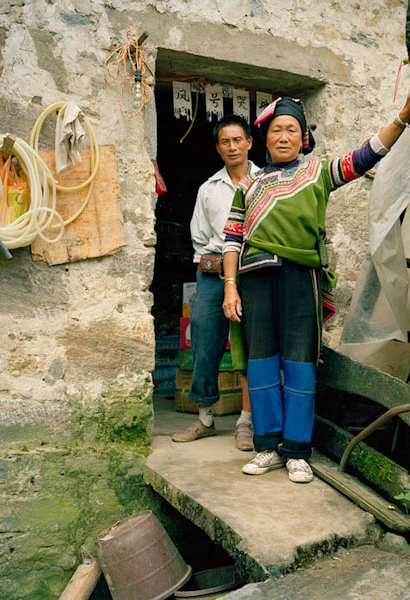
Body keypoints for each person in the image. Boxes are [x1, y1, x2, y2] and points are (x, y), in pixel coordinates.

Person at [222, 86, 410, 482]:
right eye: (277, 130)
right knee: (261, 364)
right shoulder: (249, 185)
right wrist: (230, 287)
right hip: (255, 280)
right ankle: (267, 447)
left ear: (303, 138)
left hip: (301, 279)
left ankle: (296, 451)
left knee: (300, 363)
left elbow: (365, 155)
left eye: (292, 130)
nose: (283, 137)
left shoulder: (318, 173)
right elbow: (232, 238)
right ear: (266, 137)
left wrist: (405, 114)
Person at [172, 114, 260, 449]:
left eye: (238, 140)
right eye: (225, 141)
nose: (232, 147)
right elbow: (200, 240)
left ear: (250, 143)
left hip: (254, 272)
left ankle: (246, 422)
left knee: (252, 346)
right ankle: (206, 418)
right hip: (212, 275)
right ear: (218, 148)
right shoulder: (208, 189)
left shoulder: (265, 181)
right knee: (205, 341)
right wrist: (217, 269)